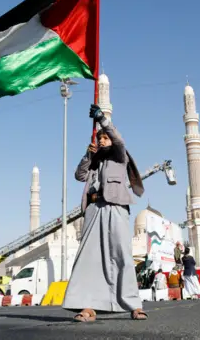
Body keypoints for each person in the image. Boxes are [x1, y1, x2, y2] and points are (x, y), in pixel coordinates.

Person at [63, 104, 147, 322]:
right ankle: (88, 306)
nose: (102, 140)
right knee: (88, 257)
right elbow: (79, 176)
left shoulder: (119, 156)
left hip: (116, 206)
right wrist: (87, 155)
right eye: (99, 138)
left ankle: (133, 305)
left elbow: (119, 141)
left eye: (105, 138)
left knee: (121, 254)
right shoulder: (95, 160)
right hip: (94, 208)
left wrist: (103, 120)